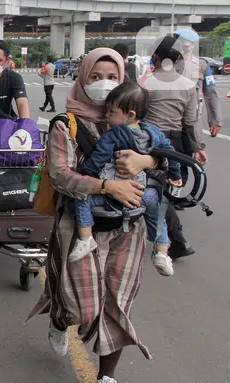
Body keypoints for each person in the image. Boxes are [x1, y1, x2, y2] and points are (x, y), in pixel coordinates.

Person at [28, 49, 161, 383]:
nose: (104, 83)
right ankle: (59, 317)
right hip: (81, 228)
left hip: (128, 229)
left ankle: (107, 377)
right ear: (82, 77)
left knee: (117, 304)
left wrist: (146, 159)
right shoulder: (66, 123)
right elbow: (60, 176)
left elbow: (164, 153)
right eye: (96, 75)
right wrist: (107, 187)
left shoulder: (137, 124)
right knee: (81, 306)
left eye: (112, 75)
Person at [69, 81, 181, 278]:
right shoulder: (153, 132)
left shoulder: (114, 134)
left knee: (83, 199)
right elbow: (170, 153)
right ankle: (161, 253)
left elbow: (99, 159)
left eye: (112, 112)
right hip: (145, 191)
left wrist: (85, 173)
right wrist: (175, 174)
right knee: (158, 217)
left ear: (130, 115)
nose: (107, 115)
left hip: (115, 191)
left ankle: (85, 239)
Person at [140, 35, 203, 260]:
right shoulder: (188, 85)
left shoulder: (145, 83)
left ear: (155, 57)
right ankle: (174, 241)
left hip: (149, 143)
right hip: (176, 144)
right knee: (164, 191)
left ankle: (173, 241)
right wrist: (197, 148)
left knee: (156, 191)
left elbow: (137, 116)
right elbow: (191, 122)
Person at [173, 28, 222, 138]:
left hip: (193, 117)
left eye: (183, 40)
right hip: (170, 117)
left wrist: (215, 120)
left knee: (195, 148)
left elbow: (211, 93)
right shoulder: (167, 64)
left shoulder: (202, 65)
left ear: (193, 44)